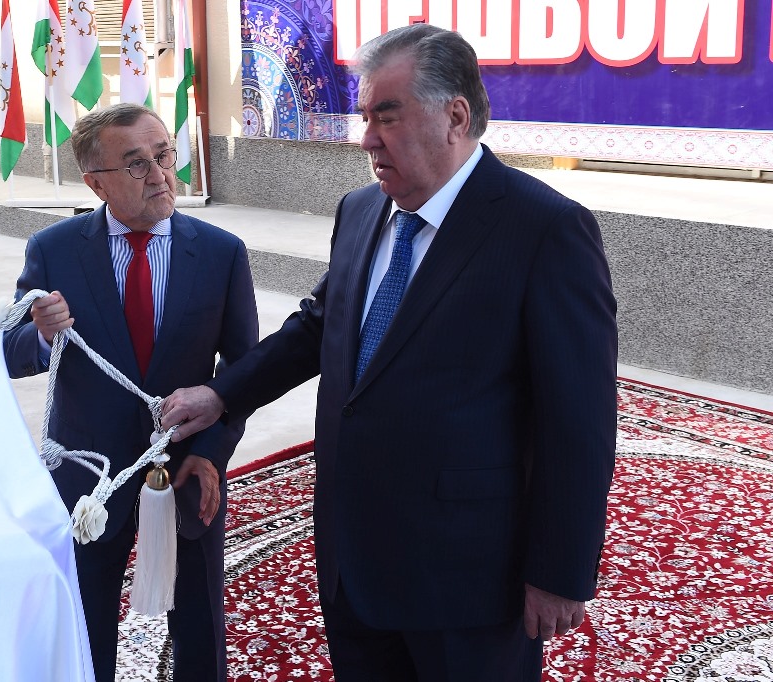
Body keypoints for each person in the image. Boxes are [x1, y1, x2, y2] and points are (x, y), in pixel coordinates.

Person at [161, 24, 617, 681]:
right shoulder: (360, 210)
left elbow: (579, 421)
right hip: (354, 559)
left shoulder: (544, 229)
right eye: (365, 116)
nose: (367, 138)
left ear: (455, 116)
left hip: (467, 577)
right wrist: (222, 393)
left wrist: (560, 572)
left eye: (387, 115)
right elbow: (322, 325)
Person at [2, 103, 259, 682]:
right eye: (137, 164)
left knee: (199, 620)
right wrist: (42, 336)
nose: (161, 175)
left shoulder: (221, 253)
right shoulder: (54, 250)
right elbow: (9, 352)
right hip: (90, 481)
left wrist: (210, 452)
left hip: (188, 466)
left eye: (164, 155)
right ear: (96, 182)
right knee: (85, 621)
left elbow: (242, 371)